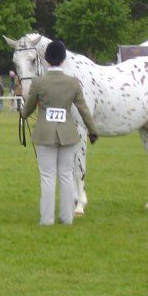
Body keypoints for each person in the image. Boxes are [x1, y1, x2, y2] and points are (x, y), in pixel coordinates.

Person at [21, 40, 98, 226]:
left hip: (45, 134)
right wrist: (93, 131)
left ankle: (46, 219)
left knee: (47, 177)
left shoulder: (39, 82)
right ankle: (67, 217)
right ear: (63, 60)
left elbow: (29, 108)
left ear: (47, 60)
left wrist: (23, 114)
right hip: (68, 134)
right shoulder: (73, 83)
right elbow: (84, 110)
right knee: (66, 175)